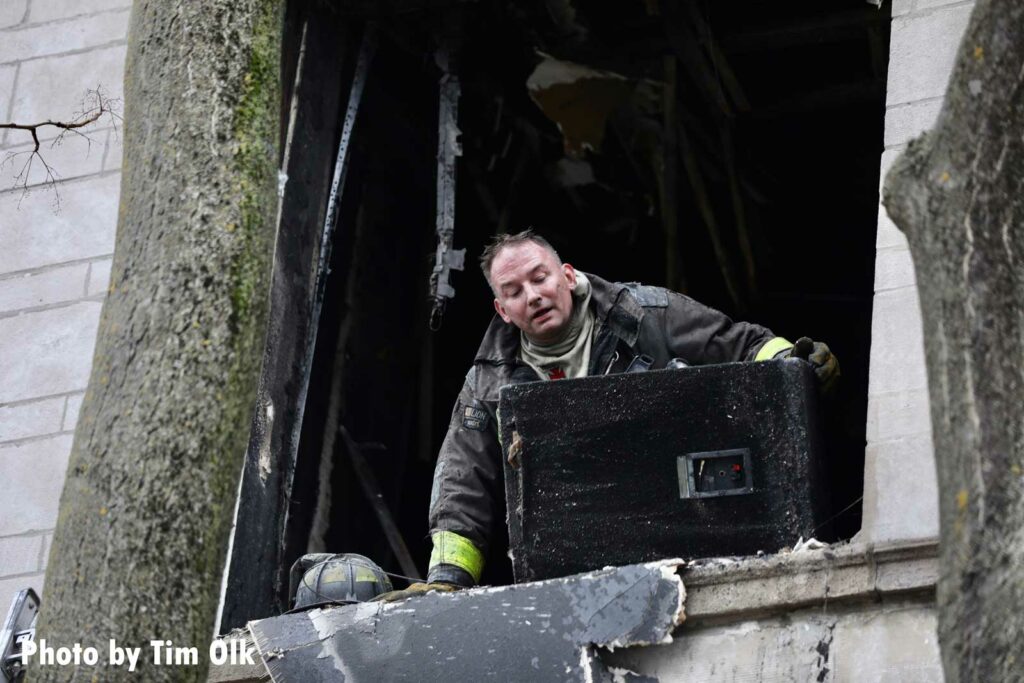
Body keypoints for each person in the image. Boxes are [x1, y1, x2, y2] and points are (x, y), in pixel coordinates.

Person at [402, 230, 839, 597]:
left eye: (540, 278)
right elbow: (463, 479)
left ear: (568, 276)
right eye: (514, 292)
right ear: (502, 310)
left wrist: (799, 366)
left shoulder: (647, 314)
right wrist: (447, 582)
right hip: (573, 569)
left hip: (688, 538)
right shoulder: (487, 383)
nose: (533, 296)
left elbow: (740, 345)